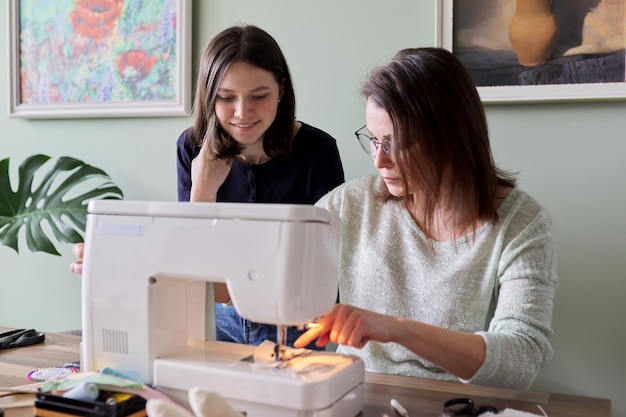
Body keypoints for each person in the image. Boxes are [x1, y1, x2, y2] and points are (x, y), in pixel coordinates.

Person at [294, 47, 558, 390]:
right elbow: (275, 268)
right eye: (373, 141)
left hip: (450, 404)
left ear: (451, 139)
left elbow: (522, 357)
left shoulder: (522, 224)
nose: (378, 161)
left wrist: (396, 328)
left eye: (394, 143)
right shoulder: (351, 204)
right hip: (355, 394)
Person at [71, 24, 345, 349]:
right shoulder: (191, 148)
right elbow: (191, 264)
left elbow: (330, 265)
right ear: (208, 96)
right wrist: (202, 191)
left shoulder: (318, 150)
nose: (243, 113)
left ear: (282, 90)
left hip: (294, 323)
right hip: (216, 319)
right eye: (226, 98)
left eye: (258, 97)